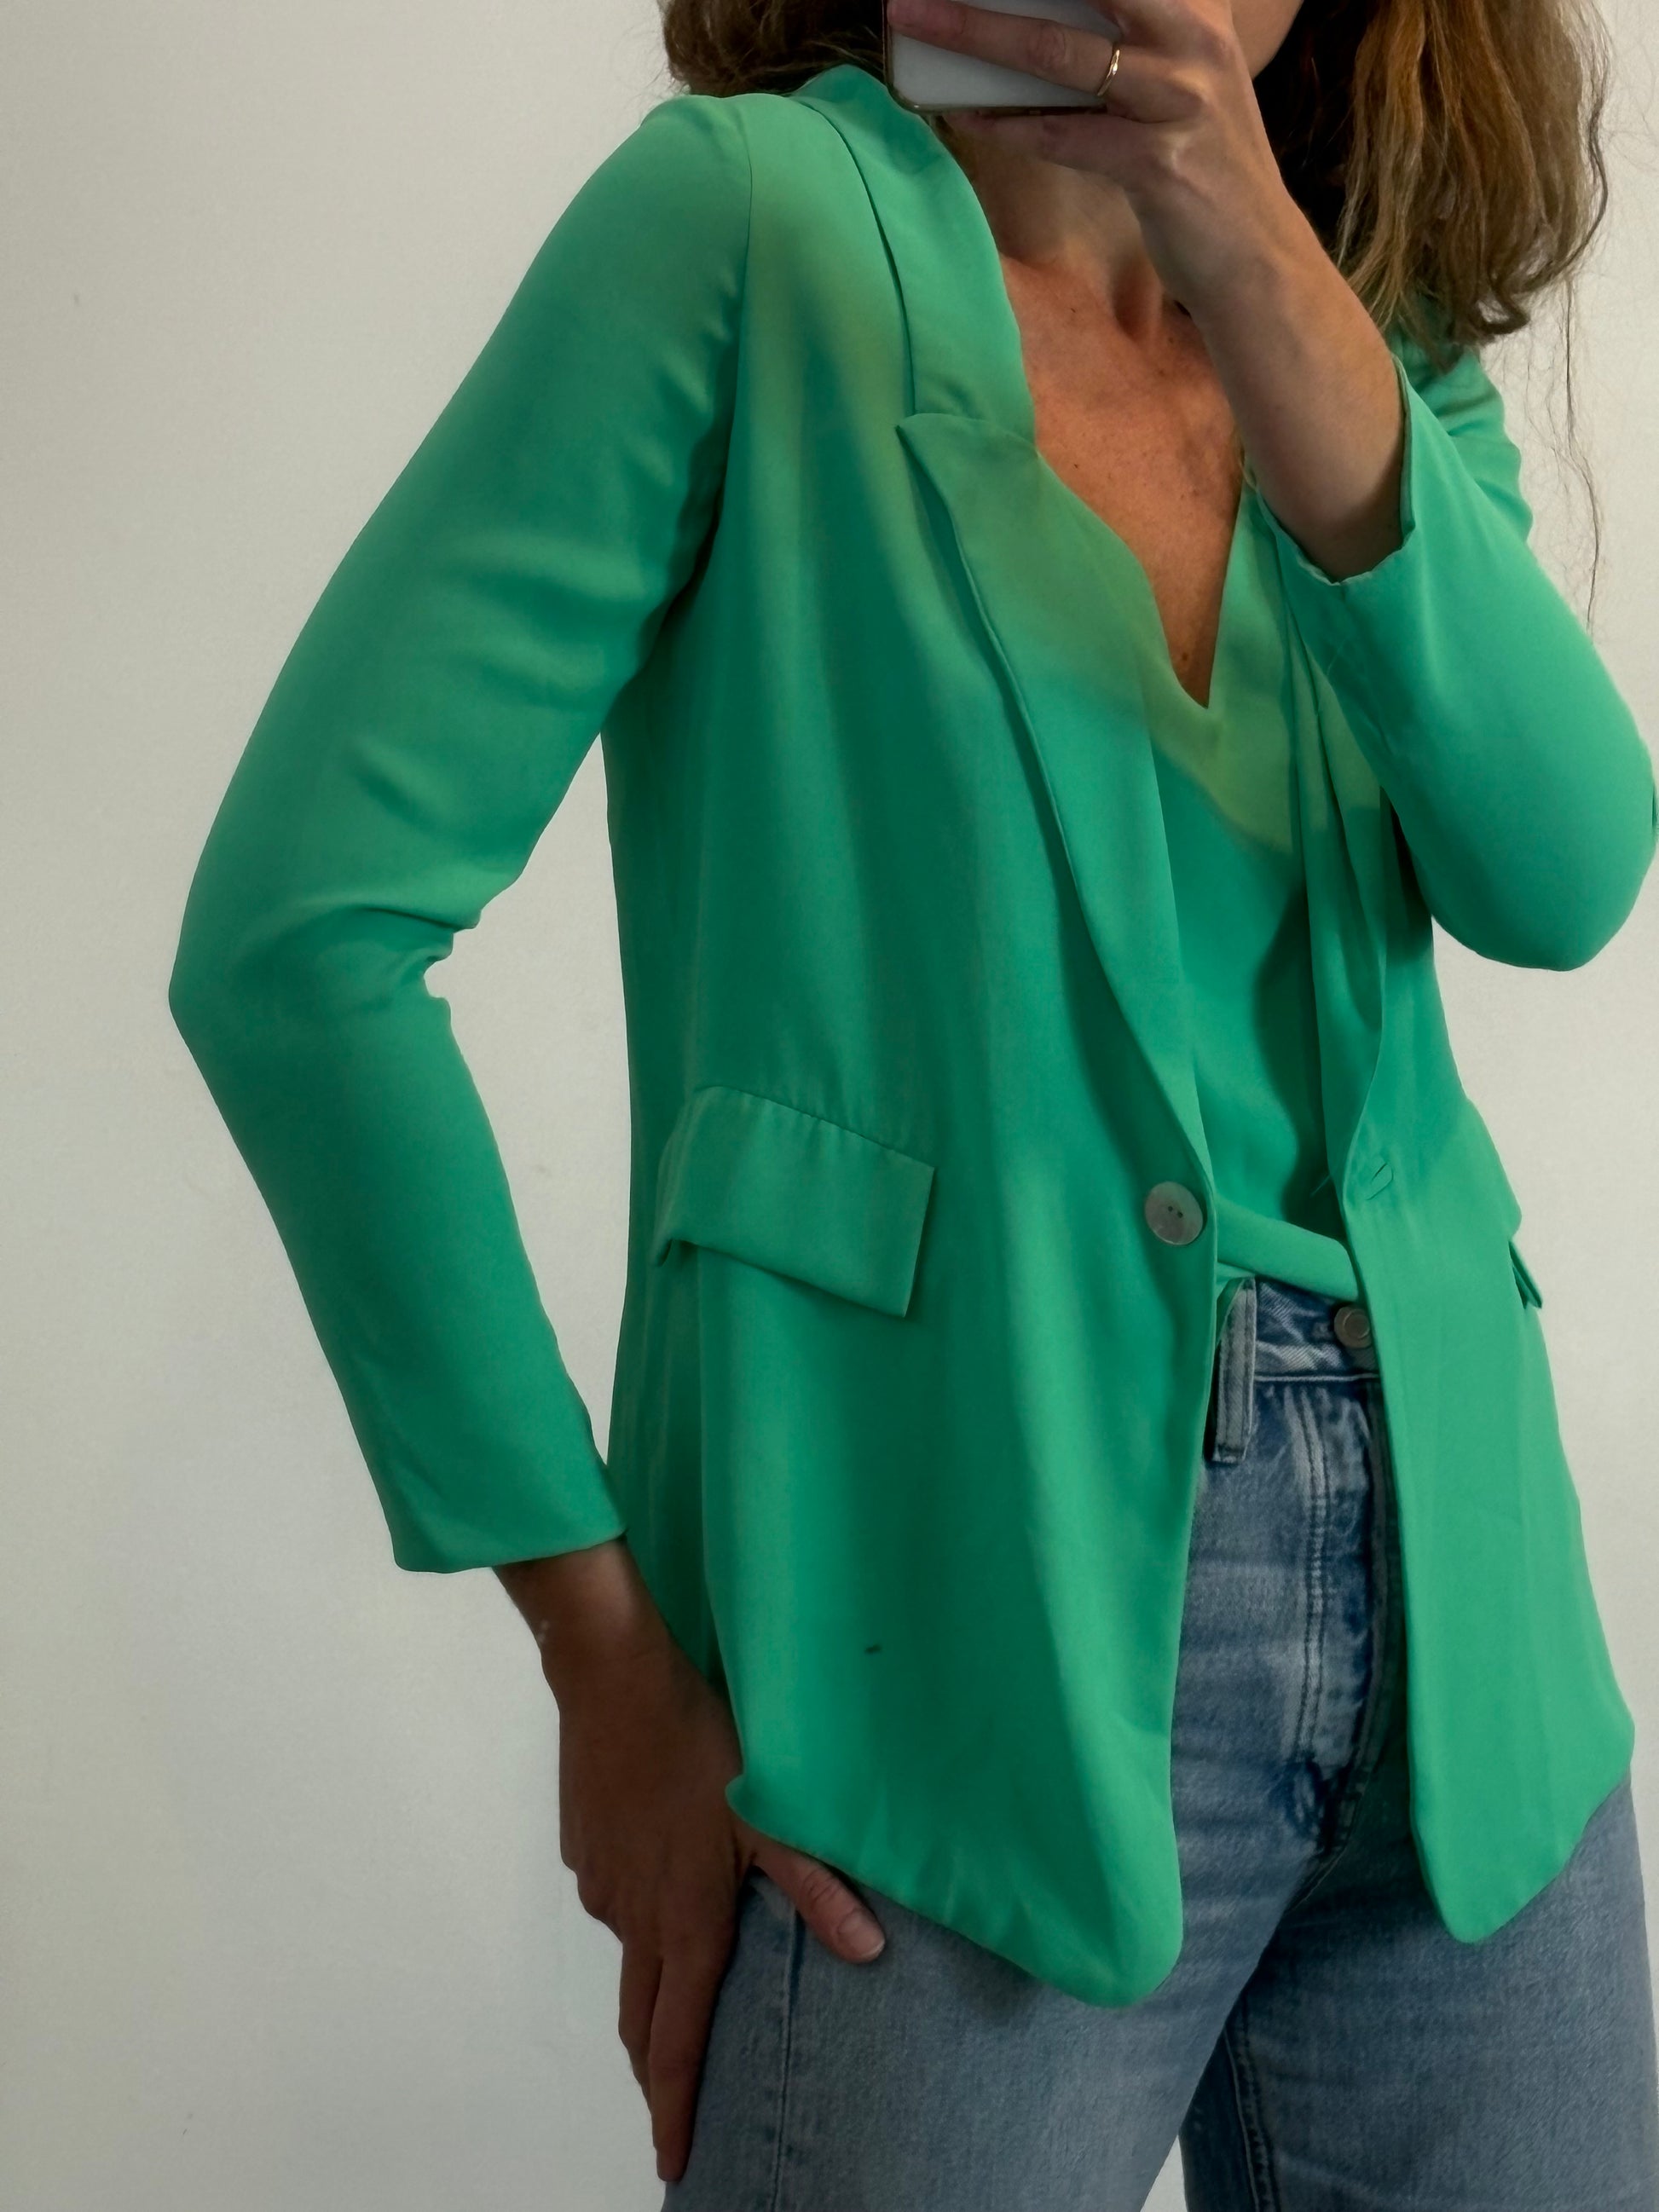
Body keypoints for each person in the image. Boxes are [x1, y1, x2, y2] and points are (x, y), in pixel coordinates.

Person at [167, 0, 1659, 2203]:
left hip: (1476, 1667)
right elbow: (298, 942)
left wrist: (1256, 258)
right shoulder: (747, 229)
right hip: (948, 1633)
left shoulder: (1368, 341)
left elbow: (1563, 871)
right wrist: (600, 1652)